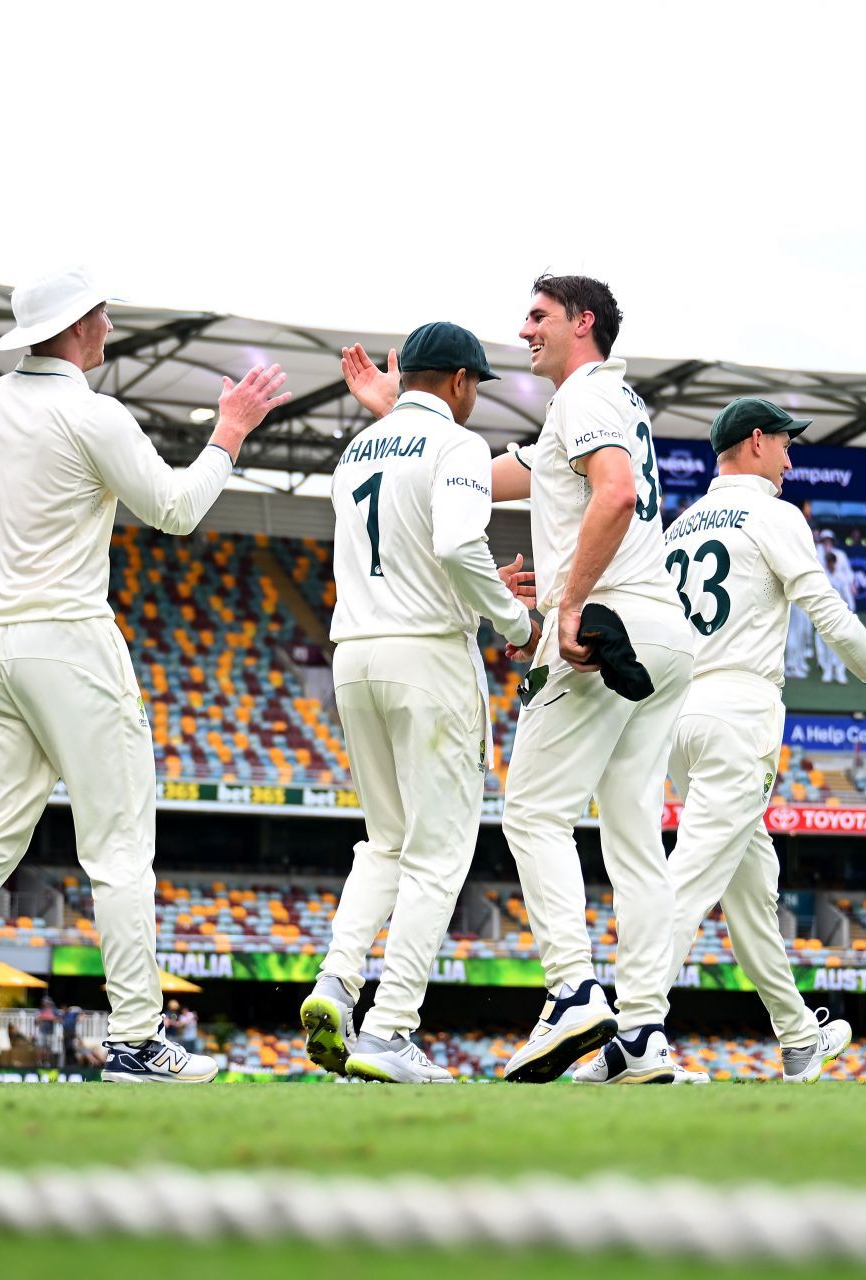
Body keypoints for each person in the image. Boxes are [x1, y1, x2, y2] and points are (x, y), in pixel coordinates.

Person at [0, 266, 290, 1085]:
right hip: (68, 639)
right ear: (81, 325)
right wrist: (231, 431)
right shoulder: (91, 413)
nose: (110, 327)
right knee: (118, 849)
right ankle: (135, 1039)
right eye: (103, 315)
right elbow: (178, 510)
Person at [350, 277, 696, 1083]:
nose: (524, 330)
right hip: (664, 632)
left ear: (582, 323)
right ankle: (642, 1035)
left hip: (607, 629)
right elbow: (484, 478)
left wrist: (568, 601)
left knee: (534, 811)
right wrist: (400, 412)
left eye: (538, 316)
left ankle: (573, 990)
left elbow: (616, 493)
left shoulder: (583, 397)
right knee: (635, 842)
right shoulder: (615, 404)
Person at [611, 398, 866, 1085]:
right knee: (688, 882)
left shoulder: (679, 526)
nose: (790, 455)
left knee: (752, 889)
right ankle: (633, 1036)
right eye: (784, 443)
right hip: (739, 714)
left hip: (676, 718)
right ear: (754, 442)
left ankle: (799, 1036)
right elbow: (829, 612)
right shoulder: (776, 516)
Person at [302, 323, 535, 1086]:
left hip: (356, 655)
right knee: (439, 853)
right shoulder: (459, 447)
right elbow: (457, 548)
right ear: (463, 383)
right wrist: (514, 619)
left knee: (386, 842)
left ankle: (336, 981)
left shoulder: (357, 450)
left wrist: (480, 587)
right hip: (428, 658)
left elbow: (413, 548)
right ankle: (391, 1027)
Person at [813, 532, 857, 684]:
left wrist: (850, 613)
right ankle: (827, 671)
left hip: (839, 616)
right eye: (829, 561)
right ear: (826, 562)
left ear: (835, 562)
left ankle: (839, 672)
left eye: (833, 561)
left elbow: (848, 598)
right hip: (823, 615)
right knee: (823, 643)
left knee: (841, 644)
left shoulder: (841, 578)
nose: (831, 564)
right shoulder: (822, 578)